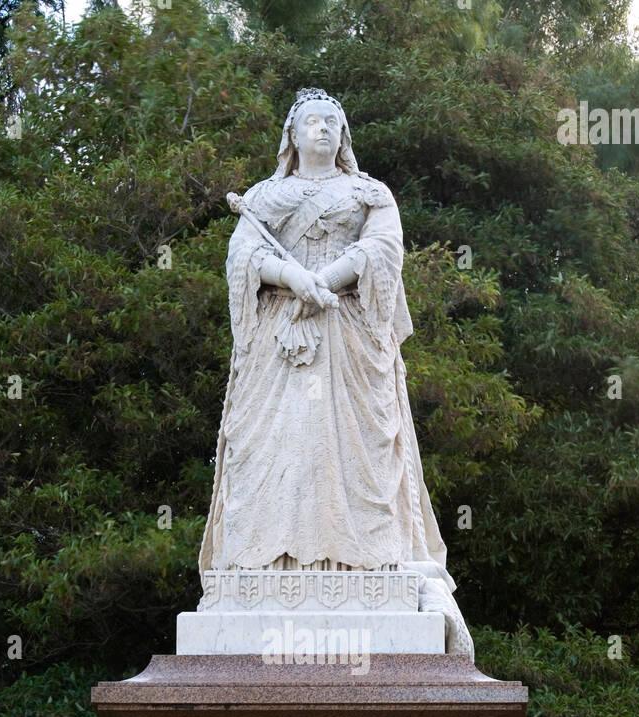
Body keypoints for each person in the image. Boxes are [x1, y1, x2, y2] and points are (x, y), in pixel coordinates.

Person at [199, 87, 472, 655]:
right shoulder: (264, 196)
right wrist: (293, 278)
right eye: (312, 122)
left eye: (332, 122)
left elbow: (385, 250)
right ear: (292, 136)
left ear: (342, 136)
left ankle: (361, 560)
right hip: (281, 339)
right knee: (280, 443)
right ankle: (266, 563)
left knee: (347, 446)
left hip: (348, 337)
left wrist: (336, 274)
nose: (322, 129)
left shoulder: (370, 193)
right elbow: (241, 257)